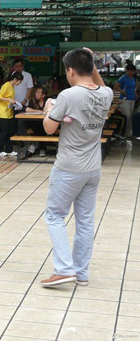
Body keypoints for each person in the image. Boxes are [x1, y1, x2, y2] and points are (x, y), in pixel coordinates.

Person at [40, 48, 113, 287]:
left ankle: (63, 269)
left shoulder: (68, 96)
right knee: (85, 221)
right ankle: (81, 272)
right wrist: (90, 63)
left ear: (70, 71)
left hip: (69, 167)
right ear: (90, 68)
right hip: (93, 168)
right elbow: (98, 85)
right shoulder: (107, 94)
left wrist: (49, 109)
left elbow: (49, 128)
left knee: (54, 216)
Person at [0, 71, 23, 157]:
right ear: (15, 79)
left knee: (10, 131)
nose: (20, 83)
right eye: (19, 81)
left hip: (9, 111)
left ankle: (9, 149)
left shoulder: (12, 86)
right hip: (3, 112)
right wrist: (9, 100)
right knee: (4, 131)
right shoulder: (6, 85)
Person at [114, 62, 138, 137]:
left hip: (132, 99)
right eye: (131, 71)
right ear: (127, 71)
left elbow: (133, 87)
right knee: (126, 116)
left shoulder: (133, 78)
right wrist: (122, 91)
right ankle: (122, 133)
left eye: (133, 71)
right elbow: (116, 86)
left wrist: (136, 94)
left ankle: (125, 132)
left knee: (130, 116)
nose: (132, 72)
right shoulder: (123, 78)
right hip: (124, 100)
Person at [25, 86, 49, 157]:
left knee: (42, 126)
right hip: (35, 122)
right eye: (36, 92)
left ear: (43, 95)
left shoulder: (48, 101)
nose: (36, 94)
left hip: (45, 122)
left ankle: (34, 144)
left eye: (38, 93)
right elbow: (27, 109)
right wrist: (39, 111)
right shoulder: (33, 100)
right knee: (38, 126)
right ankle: (42, 148)